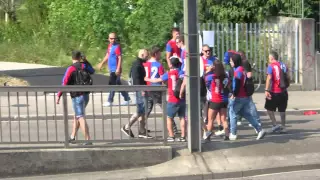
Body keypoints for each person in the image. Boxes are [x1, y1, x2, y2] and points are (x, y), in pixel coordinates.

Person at [56, 50, 95, 145]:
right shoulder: (84, 65)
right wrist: (85, 60)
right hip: (86, 95)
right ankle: (72, 137)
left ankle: (88, 139)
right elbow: (92, 71)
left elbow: (64, 82)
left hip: (77, 96)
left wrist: (58, 95)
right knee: (77, 116)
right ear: (79, 57)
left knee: (80, 116)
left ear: (72, 57)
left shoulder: (71, 68)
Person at [146, 57, 186, 142]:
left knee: (169, 117)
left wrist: (148, 79)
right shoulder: (182, 73)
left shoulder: (169, 73)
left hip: (172, 98)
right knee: (182, 117)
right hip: (182, 98)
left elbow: (159, 79)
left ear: (171, 64)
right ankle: (183, 136)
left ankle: (171, 136)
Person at [228, 53, 266, 141]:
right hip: (245, 96)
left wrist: (234, 94)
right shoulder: (242, 69)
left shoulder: (237, 71)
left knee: (232, 113)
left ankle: (233, 133)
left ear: (235, 61)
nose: (230, 63)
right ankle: (259, 129)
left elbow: (237, 84)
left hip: (239, 97)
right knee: (246, 114)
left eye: (231, 61)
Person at [143, 46, 179, 135]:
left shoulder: (145, 64)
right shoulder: (158, 65)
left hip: (147, 88)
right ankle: (173, 129)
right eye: (159, 53)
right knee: (166, 108)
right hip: (156, 88)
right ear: (155, 54)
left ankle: (141, 126)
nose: (160, 55)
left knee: (147, 108)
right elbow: (163, 78)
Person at [121, 49, 152, 138]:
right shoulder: (137, 65)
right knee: (140, 111)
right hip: (140, 90)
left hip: (141, 89)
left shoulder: (138, 64)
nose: (147, 58)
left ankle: (141, 131)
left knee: (142, 111)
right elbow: (137, 79)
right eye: (146, 56)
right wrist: (141, 90)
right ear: (142, 55)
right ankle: (127, 127)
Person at [98, 32, 131, 107]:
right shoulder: (110, 46)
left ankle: (110, 100)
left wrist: (118, 68)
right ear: (108, 39)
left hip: (116, 69)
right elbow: (108, 55)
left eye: (114, 38)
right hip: (111, 68)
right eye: (111, 38)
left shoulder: (117, 47)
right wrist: (102, 63)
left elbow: (119, 58)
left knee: (113, 84)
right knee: (118, 84)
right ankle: (127, 99)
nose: (113, 40)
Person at [203, 60, 230, 141]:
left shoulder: (211, 76)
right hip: (224, 99)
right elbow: (228, 85)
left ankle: (208, 135)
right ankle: (227, 135)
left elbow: (205, 79)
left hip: (215, 100)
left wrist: (209, 70)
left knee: (210, 119)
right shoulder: (225, 76)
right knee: (224, 119)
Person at [265, 50, 289, 133]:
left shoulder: (271, 66)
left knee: (269, 109)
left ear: (271, 58)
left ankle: (275, 125)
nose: (268, 59)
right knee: (282, 110)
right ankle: (283, 126)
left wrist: (266, 90)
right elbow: (287, 76)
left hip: (274, 92)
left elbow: (269, 78)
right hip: (284, 91)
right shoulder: (283, 65)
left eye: (269, 58)